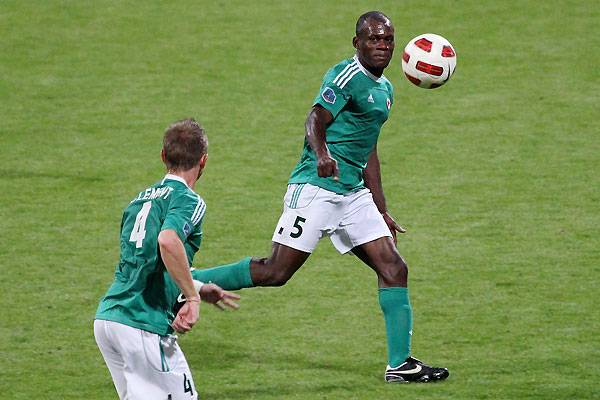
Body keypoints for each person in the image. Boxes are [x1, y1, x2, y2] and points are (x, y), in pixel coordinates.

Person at [195, 11, 449, 383]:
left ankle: (400, 363)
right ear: (356, 43)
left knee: (394, 267)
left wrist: (382, 209)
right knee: (276, 272)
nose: (381, 46)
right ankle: (183, 280)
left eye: (387, 40)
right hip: (316, 189)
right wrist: (322, 155)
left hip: (353, 193)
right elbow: (314, 119)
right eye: (373, 39)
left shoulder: (386, 90)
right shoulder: (345, 76)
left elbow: (369, 148)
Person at [94, 118, 240, 400]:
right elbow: (167, 241)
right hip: (142, 323)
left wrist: (195, 287)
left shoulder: (137, 202)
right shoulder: (189, 200)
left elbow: (146, 264)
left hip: (109, 321)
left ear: (163, 156)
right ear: (204, 161)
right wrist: (192, 298)